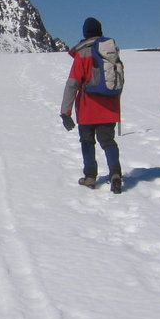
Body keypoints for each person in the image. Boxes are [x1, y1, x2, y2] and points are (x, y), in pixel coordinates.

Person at [60, 17, 123, 193]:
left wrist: (66, 111)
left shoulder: (83, 53)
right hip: (110, 107)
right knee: (108, 141)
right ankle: (115, 174)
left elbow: (73, 83)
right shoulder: (111, 51)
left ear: (85, 33)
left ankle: (89, 177)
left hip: (88, 107)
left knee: (87, 142)